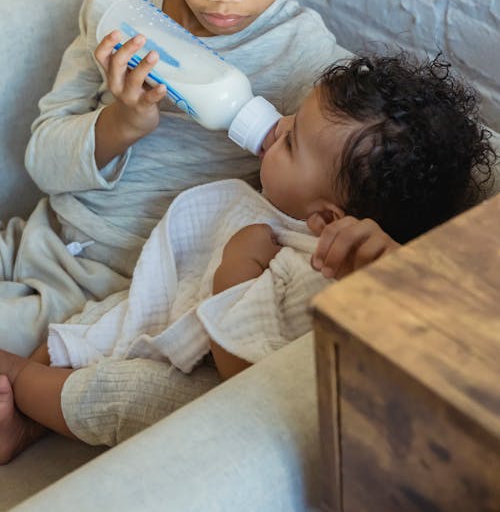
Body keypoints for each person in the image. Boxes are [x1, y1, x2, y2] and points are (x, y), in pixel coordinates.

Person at [0, 0, 361, 357]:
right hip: (38, 239)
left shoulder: (309, 64)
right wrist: (120, 125)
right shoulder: (121, 0)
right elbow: (41, 158)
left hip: (124, 290)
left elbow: (354, 178)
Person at [0, 52, 496, 462]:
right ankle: (26, 423)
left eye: (293, 139)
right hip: (170, 316)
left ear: (325, 215)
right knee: (101, 319)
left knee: (116, 394)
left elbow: (243, 377)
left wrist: (239, 267)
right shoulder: (278, 210)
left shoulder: (310, 268)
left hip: (206, 384)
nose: (276, 127)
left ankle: (19, 381)